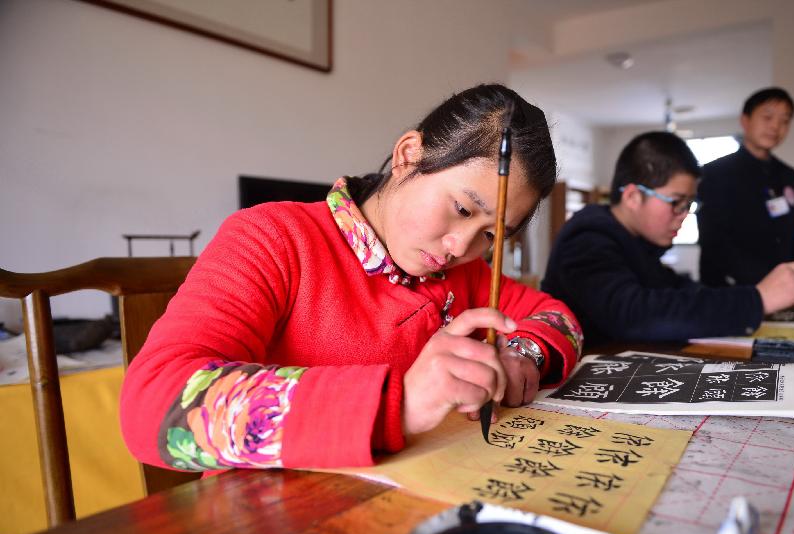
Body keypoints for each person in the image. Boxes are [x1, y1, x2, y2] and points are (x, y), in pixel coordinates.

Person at [120, 84, 583, 472]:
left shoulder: (466, 275)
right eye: (462, 208)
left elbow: (556, 314)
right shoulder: (275, 238)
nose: (461, 247)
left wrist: (524, 352)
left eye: (489, 234)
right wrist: (395, 406)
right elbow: (153, 405)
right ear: (409, 154)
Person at [541, 131, 794, 344]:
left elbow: (681, 292)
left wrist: (759, 296)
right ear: (633, 196)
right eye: (676, 202)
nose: (683, 215)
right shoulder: (587, 237)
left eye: (689, 205)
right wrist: (758, 299)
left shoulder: (636, 242)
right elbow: (633, 316)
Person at [698, 87, 794, 287]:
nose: (775, 127)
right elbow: (713, 239)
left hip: (785, 288)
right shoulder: (715, 173)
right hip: (729, 290)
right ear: (745, 120)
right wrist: (764, 284)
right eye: (767, 117)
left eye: (784, 121)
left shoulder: (789, 175)